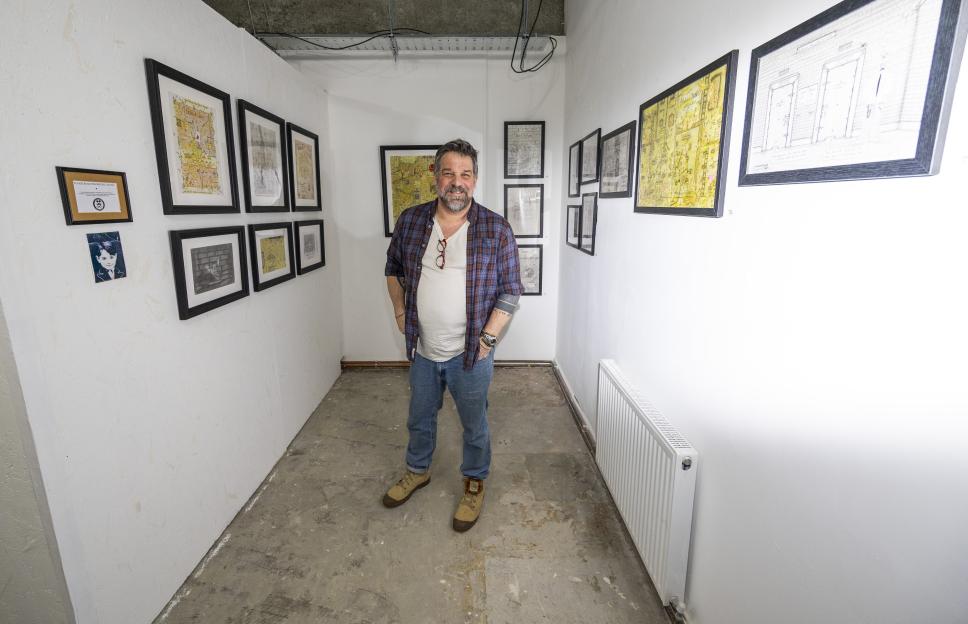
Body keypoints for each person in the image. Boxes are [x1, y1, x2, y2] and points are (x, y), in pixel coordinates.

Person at [383, 139, 523, 532]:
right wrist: (399, 309)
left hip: (471, 356)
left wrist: (488, 341)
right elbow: (393, 268)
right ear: (435, 176)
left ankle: (475, 481)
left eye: (464, 174)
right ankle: (417, 469)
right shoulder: (411, 221)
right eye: (448, 173)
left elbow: (511, 290)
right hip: (423, 349)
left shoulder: (496, 229)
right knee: (419, 417)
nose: (456, 182)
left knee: (474, 422)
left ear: (475, 180)